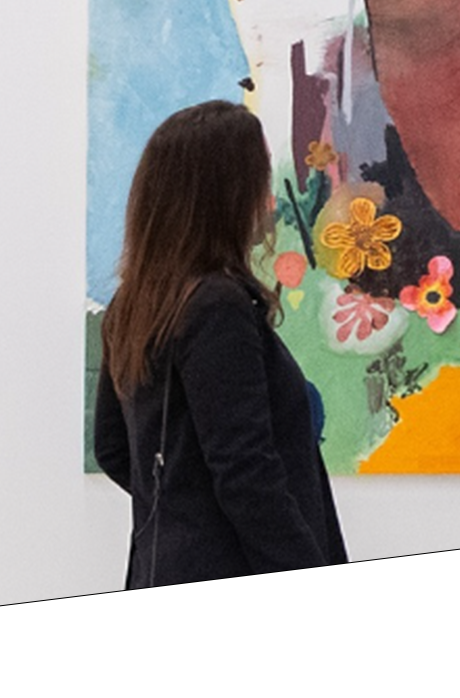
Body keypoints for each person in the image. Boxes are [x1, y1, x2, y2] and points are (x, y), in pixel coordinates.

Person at [93, 100, 347, 587]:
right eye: (258, 180)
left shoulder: (134, 302)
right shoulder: (216, 306)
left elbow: (112, 448)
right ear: (225, 195)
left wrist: (184, 508)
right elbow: (247, 472)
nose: (267, 199)